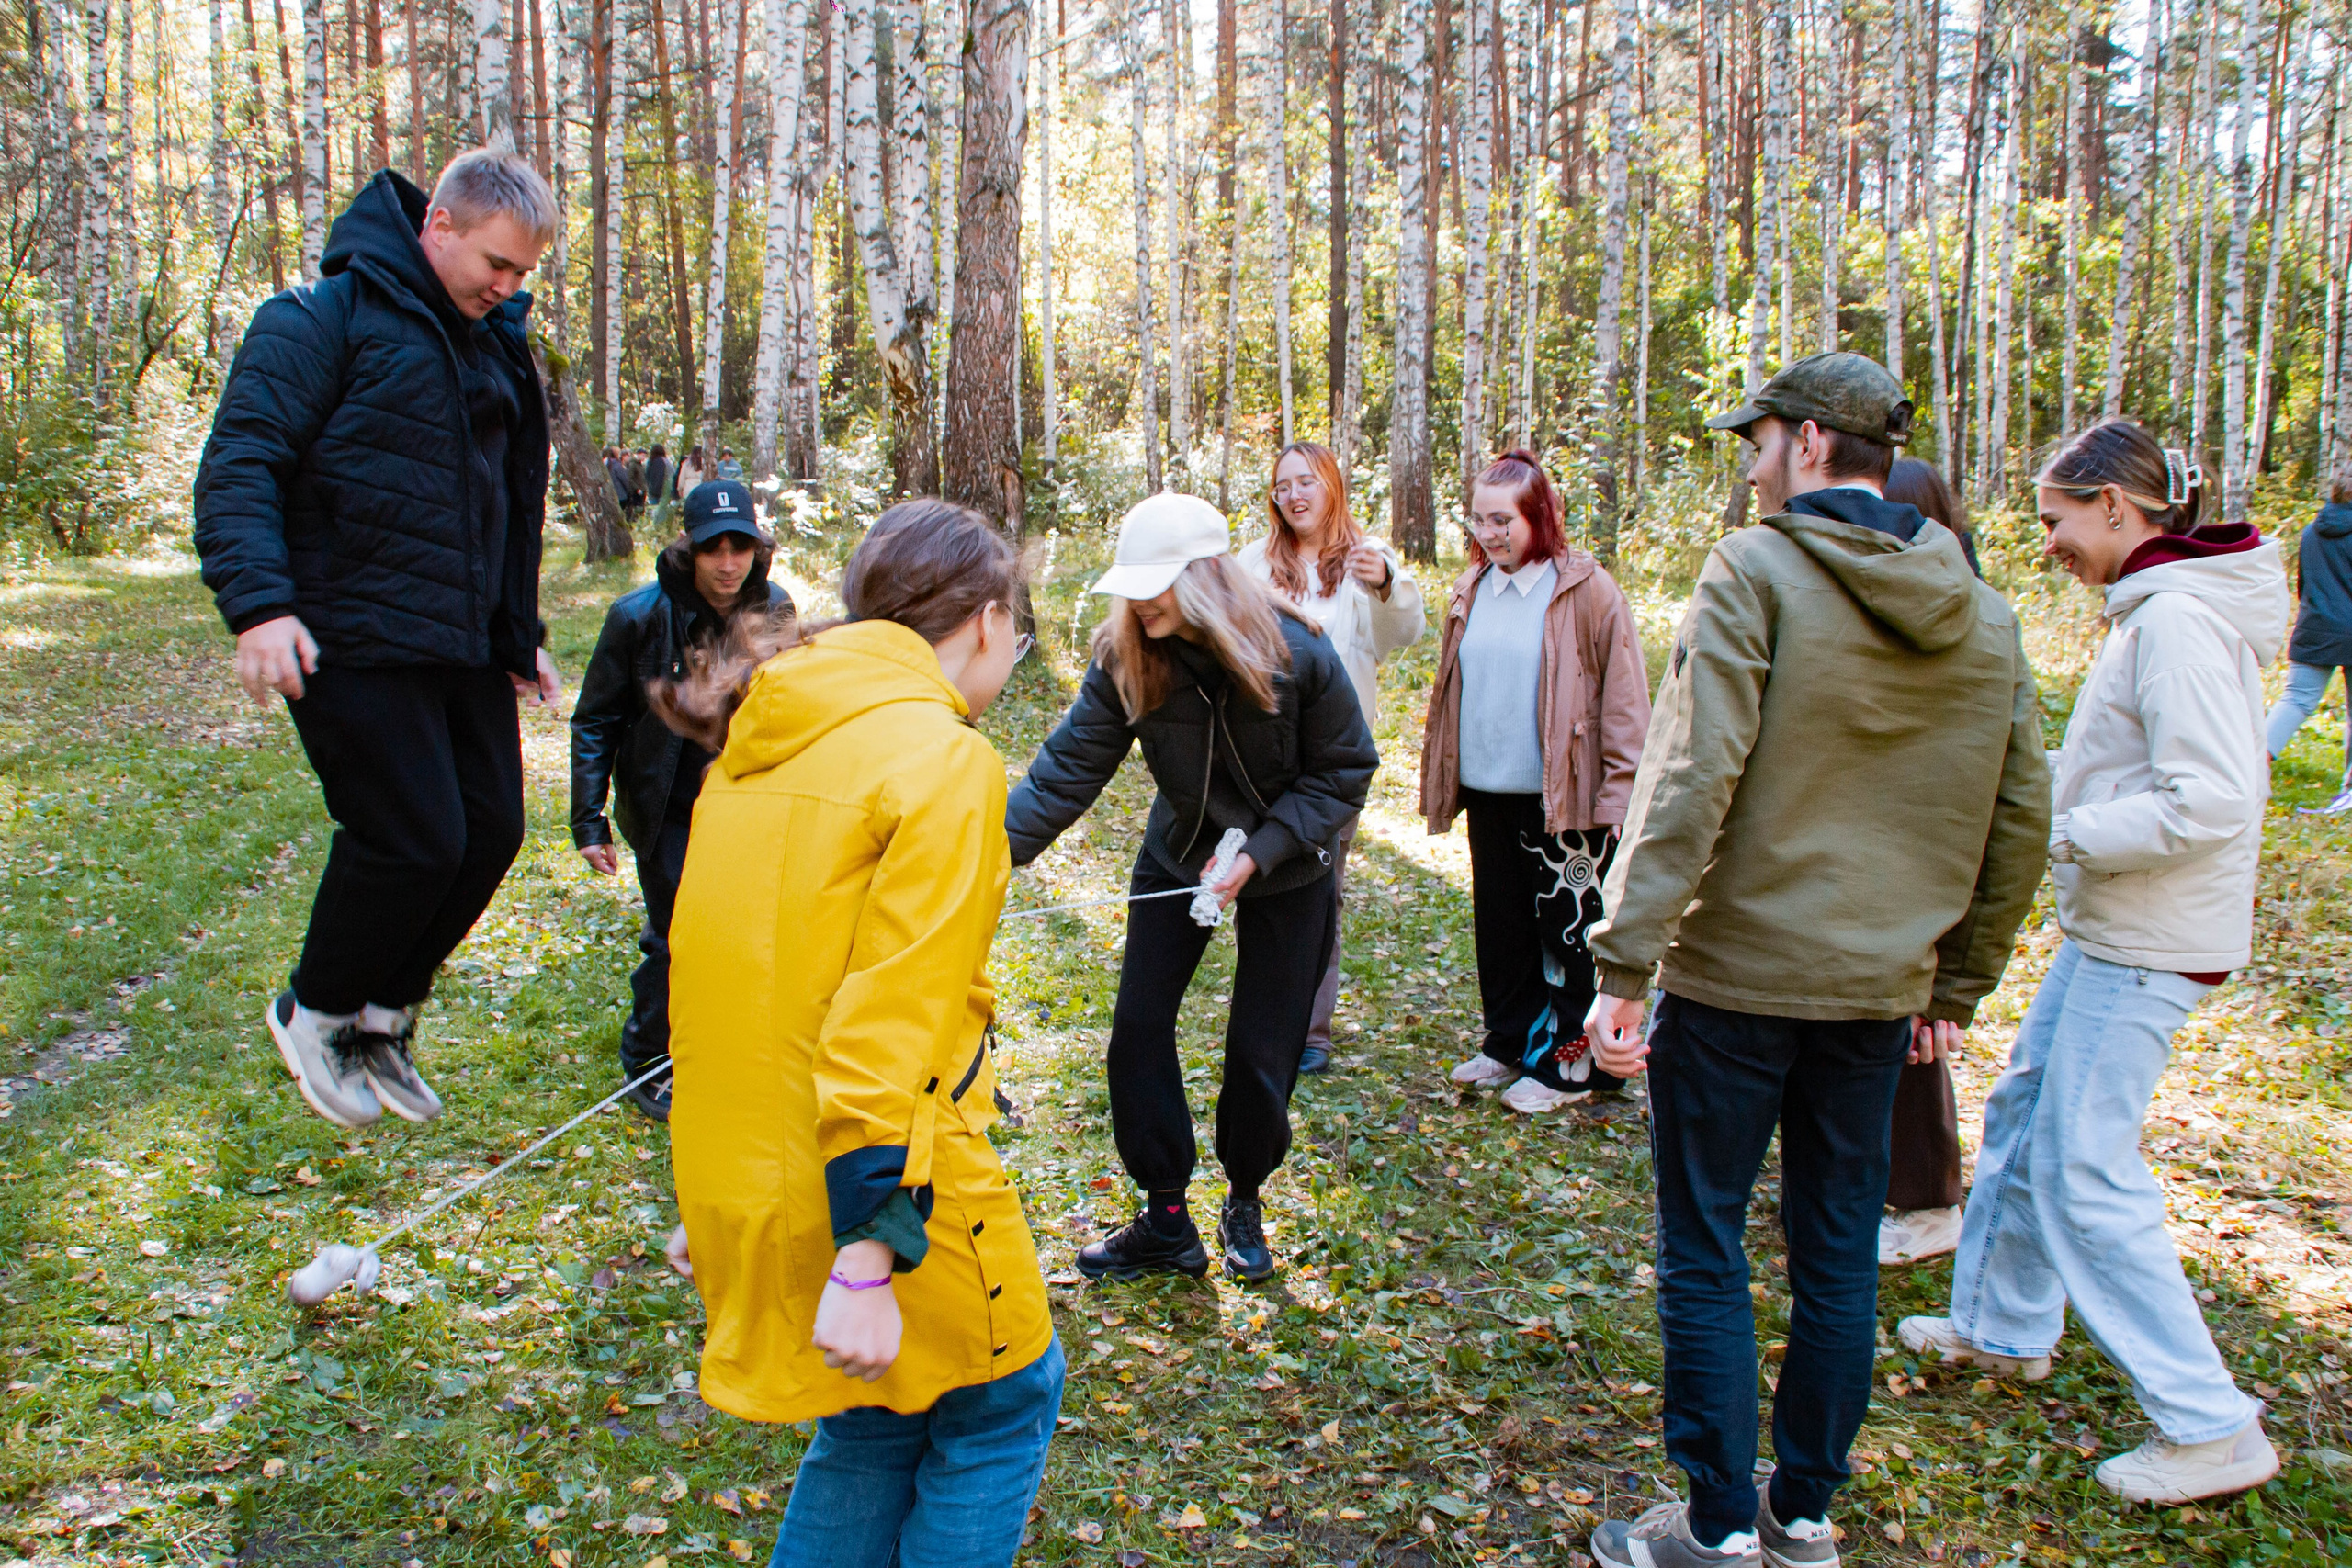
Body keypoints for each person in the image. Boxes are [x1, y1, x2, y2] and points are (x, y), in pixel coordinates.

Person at [1577, 353, 2051, 1568]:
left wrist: (1624, 961)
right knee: (1838, 1241)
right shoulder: (1985, 611)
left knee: (1709, 1236)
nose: (1748, 463)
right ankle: (1804, 1511)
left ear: (1805, 443)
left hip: (1737, 977)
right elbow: (2018, 815)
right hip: (1877, 992)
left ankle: (1720, 1524)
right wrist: (1955, 983)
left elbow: (1690, 774)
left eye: (1757, 441)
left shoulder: (1759, 569)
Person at [664, 501, 1060, 1568]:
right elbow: (892, 1026)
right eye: (1014, 627)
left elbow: (712, 992)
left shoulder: (749, 753)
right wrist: (871, 1248)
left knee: (875, 1421)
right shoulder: (944, 760)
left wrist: (715, 1194)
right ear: (985, 621)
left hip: (751, 1177)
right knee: (1004, 1397)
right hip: (879, 1189)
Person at [1901, 421, 2290, 1506]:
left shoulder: (2173, 622)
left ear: (2115, 507)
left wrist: (2057, 836)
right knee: (2024, 1115)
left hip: (2153, 938)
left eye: (2057, 520)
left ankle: (2208, 1424)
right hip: (2118, 927)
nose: (2048, 543)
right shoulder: (2151, 613)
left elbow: (2210, 797)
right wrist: (2024, 789)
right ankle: (2000, 1325)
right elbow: (2119, 765)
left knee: (2085, 1167)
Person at [194, 150, 563, 1130]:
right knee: (412, 838)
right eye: (496, 263)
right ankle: (314, 1010)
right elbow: (240, 464)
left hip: (460, 642)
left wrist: (517, 633)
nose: (508, 285)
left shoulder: (492, 347)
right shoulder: (320, 322)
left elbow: (504, 503)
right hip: (346, 631)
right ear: (436, 224)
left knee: (489, 834)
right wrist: (260, 607)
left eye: (524, 273)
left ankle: (380, 1020)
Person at [1004, 494, 1376, 1283]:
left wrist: (1263, 851)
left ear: (1207, 576)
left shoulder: (1295, 651)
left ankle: (1244, 1197)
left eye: (1159, 582)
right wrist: (982, 853)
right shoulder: (1127, 656)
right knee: (1138, 1027)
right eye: (1132, 583)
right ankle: (1167, 1219)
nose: (1142, 599)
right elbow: (1067, 770)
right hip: (1179, 857)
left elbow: (1346, 769)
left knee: (1259, 1049)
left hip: (1288, 868)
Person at [1419, 451, 1649, 1117]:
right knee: (1503, 926)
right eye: (1480, 520)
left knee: (1568, 931)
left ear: (1538, 516)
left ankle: (1575, 1065)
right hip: (1490, 790)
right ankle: (1514, 1043)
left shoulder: (1584, 588)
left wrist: (1618, 795)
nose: (1489, 534)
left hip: (1564, 798)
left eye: (1503, 520)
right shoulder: (1472, 587)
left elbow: (1627, 701)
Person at [571, 479, 794, 1122]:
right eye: (713, 548)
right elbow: (595, 719)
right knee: (676, 937)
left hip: (748, 803)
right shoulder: (636, 616)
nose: (728, 563)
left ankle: (727, 1047)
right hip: (665, 803)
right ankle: (648, 1059)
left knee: (743, 933)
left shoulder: (775, 607)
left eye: (740, 547)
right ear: (687, 549)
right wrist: (590, 818)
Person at [1238, 441, 1425, 1073]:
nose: (1293, 495)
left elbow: (1403, 634)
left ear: (1333, 487)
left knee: (1321, 886)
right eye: (1282, 486)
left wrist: (1388, 587)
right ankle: (1266, 1012)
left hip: (1333, 761)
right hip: (1263, 752)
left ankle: (1310, 1029)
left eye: (1306, 482)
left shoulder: (1369, 561)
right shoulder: (1254, 564)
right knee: (1258, 879)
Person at [1871, 454, 1980, 1267]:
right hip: (1877, 840)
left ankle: (1931, 1196)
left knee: (1916, 1033)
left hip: (1919, 847)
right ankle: (1887, 1180)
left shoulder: (1962, 615)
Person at [2263, 468, 2352, 814]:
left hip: (2315, 626)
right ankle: (2349, 791)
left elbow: (2304, 583)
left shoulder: (2313, 531)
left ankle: (2255, 763)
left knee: (2297, 700)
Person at [643, 443, 673, 515]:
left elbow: (646, 476)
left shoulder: (650, 462)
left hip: (652, 492)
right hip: (664, 492)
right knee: (662, 515)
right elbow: (672, 475)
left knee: (654, 514)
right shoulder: (665, 461)